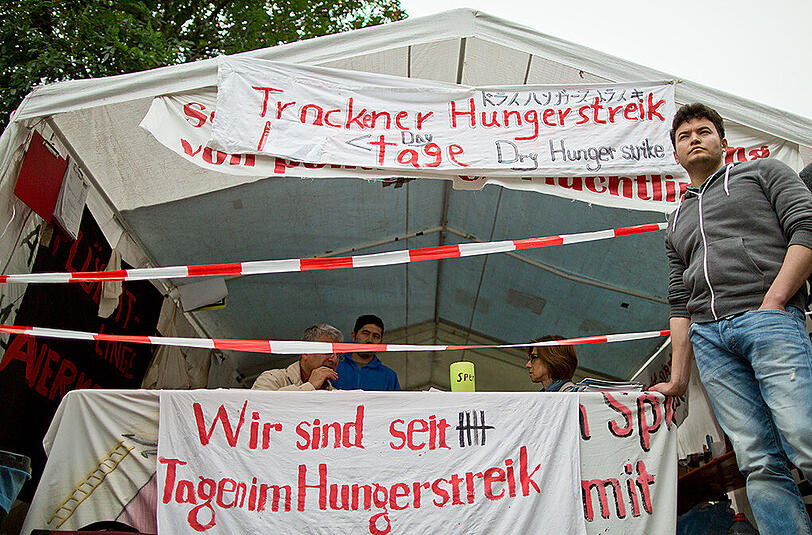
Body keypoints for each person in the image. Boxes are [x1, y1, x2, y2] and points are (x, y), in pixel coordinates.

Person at [651, 103, 812, 535]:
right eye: (684, 137)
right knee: (756, 460)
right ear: (676, 154)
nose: (694, 140)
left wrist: (775, 300)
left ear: (723, 142)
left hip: (768, 318)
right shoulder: (675, 221)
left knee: (804, 435)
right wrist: (679, 380)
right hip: (710, 340)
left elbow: (807, 227)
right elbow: (680, 300)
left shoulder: (763, 172)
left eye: (703, 131)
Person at [252, 324, 342, 391]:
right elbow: (261, 406)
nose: (334, 359)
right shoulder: (272, 378)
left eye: (338, 354)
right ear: (305, 352)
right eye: (327, 352)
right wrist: (310, 386)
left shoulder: (335, 394)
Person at [332, 315, 400, 391]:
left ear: (381, 342)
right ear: (353, 336)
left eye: (376, 336)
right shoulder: (333, 365)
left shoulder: (389, 376)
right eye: (365, 333)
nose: (370, 340)